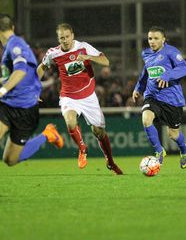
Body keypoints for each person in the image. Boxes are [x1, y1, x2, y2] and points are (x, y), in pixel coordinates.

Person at [0, 14, 64, 202]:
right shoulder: (14, 46)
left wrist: (0, 91)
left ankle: (48, 134)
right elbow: (23, 76)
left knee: (10, 160)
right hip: (8, 105)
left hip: (25, 109)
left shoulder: (15, 44)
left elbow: (20, 71)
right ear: (13, 26)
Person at [37, 23, 123, 175]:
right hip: (68, 96)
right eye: (61, 38)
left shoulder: (83, 47)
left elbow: (106, 61)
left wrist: (89, 57)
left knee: (99, 132)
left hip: (88, 97)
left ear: (73, 35)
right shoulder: (53, 53)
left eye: (67, 37)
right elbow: (41, 68)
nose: (65, 40)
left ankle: (110, 162)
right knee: (70, 121)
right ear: (58, 39)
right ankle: (82, 148)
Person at [132, 26, 186, 168]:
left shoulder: (171, 51)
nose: (152, 41)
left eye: (156, 38)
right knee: (146, 119)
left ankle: (184, 149)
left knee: (173, 134)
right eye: (150, 38)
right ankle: (159, 151)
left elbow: (184, 68)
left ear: (163, 39)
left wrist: (167, 75)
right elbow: (145, 73)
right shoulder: (146, 54)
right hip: (152, 96)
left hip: (172, 100)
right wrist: (138, 88)